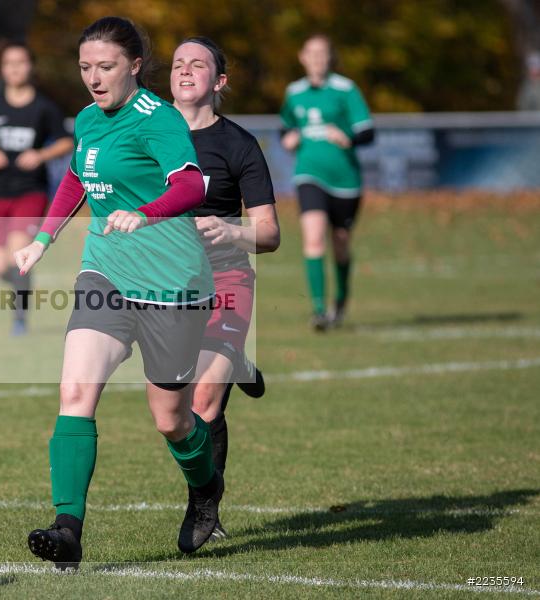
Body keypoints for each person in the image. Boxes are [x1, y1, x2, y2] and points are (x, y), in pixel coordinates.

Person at [14, 16, 223, 570]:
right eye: (85, 67)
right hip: (104, 273)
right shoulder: (86, 119)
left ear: (134, 65)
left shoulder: (158, 119)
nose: (94, 78)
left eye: (105, 67)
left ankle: (206, 487)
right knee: (75, 391)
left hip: (173, 283)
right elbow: (76, 179)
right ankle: (67, 530)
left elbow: (191, 184)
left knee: (171, 419)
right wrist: (42, 240)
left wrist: (146, 213)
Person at [170, 37, 281, 540]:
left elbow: (270, 233)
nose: (185, 70)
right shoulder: (148, 136)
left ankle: (204, 507)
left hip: (225, 279)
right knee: (173, 412)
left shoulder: (238, 144)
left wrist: (232, 231)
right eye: (178, 63)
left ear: (219, 81)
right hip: (165, 284)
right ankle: (234, 360)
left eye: (197, 64)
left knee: (203, 399)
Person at [279, 34, 374, 331]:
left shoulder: (346, 89)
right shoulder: (294, 92)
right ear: (302, 57)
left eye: (322, 53)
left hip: (345, 180)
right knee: (314, 238)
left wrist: (348, 138)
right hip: (309, 173)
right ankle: (319, 311)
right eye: (312, 53)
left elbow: (367, 132)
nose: (317, 59)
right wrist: (288, 138)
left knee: (341, 244)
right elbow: (286, 126)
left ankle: (340, 302)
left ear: (330, 57)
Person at [0, 43, 73, 335]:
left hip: (30, 191)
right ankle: (24, 285)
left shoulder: (44, 108)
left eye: (20, 62)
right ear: (2, 69)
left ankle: (19, 319)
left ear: (30, 66)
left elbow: (66, 141)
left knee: (16, 255)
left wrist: (41, 155)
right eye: (9, 63)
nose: (15, 68)